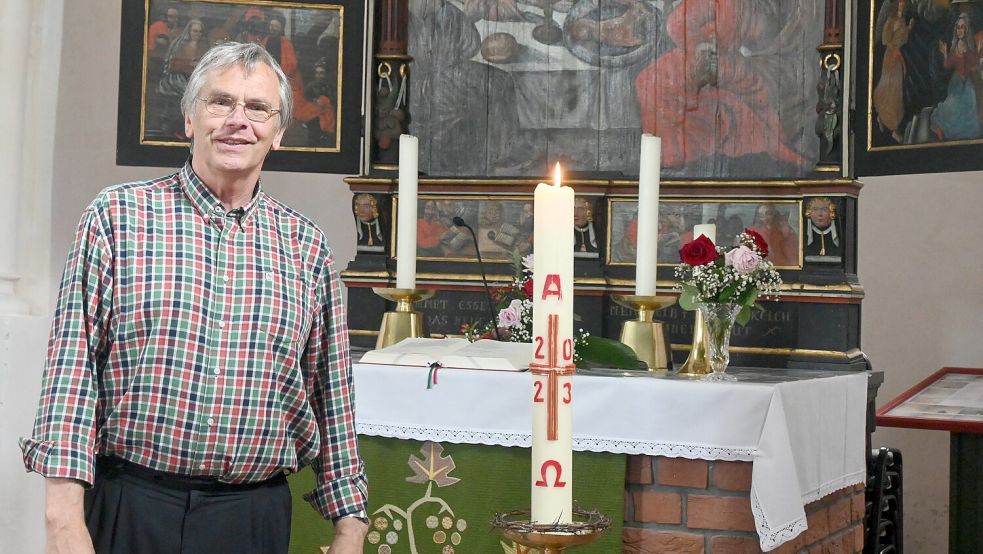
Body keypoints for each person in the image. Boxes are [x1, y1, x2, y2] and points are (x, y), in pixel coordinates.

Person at [20, 42, 368, 553]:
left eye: (257, 108)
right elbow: (72, 377)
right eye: (220, 102)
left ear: (278, 132)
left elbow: (332, 396)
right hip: (131, 505)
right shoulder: (118, 219)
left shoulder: (306, 247)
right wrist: (63, 519)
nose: (237, 120)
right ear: (189, 118)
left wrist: (350, 527)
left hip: (252, 518)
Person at [930, 12, 982, 141]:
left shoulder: (969, 46)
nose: (960, 30)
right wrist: (945, 54)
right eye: (958, 27)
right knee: (952, 106)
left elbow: (974, 63)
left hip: (968, 81)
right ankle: (942, 130)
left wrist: (979, 51)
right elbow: (947, 65)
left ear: (966, 29)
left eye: (962, 27)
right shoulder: (954, 47)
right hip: (956, 82)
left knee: (971, 103)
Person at [157, 19, 209, 137]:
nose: (197, 34)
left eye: (200, 32)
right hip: (178, 77)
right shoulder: (179, 44)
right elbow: (172, 64)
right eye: (195, 31)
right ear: (189, 31)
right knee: (188, 94)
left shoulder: (204, 46)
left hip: (196, 78)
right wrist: (189, 65)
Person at [872, 0, 914, 143]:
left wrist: (909, 28)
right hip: (891, 58)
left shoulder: (902, 20)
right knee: (890, 90)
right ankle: (893, 129)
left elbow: (902, 38)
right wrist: (894, 50)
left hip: (897, 58)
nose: (901, 4)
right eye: (899, 2)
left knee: (897, 92)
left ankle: (886, 121)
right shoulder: (891, 20)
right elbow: (885, 39)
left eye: (903, 2)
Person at [804, 197, 841, 261]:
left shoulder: (841, 234)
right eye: (815, 209)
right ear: (809, 213)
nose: (820, 214)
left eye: (824, 209)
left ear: (831, 213)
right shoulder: (803, 236)